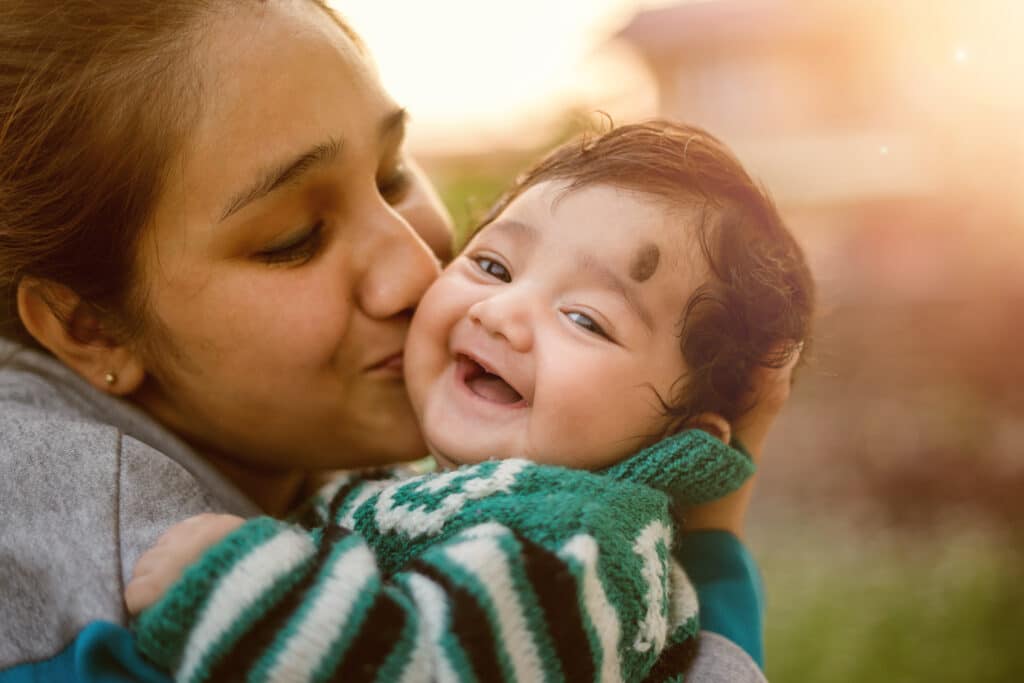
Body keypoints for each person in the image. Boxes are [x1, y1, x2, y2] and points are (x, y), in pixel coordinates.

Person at [0, 1, 793, 681]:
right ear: (88, 325)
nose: (419, 273)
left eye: (392, 175)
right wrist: (714, 560)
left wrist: (709, 542)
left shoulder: (341, 452)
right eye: (296, 236)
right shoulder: (83, 586)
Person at [123, 121, 814, 682]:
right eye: (492, 266)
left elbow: (420, 665)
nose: (502, 312)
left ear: (685, 444)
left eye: (586, 319)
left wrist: (232, 581)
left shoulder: (588, 549)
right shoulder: (444, 492)